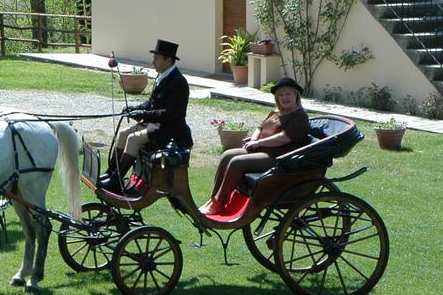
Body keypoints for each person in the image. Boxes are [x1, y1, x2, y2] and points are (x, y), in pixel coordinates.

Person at [201, 77, 311, 215]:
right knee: (227, 155)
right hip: (260, 150)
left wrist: (258, 143)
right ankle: (214, 199)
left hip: (278, 157)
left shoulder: (300, 117)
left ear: (296, 94)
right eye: (281, 95)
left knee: (236, 162)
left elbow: (284, 138)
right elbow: (260, 128)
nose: (284, 98)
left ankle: (218, 203)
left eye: (288, 93)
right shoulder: (276, 112)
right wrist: (252, 141)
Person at [99, 39, 192, 192]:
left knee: (133, 139)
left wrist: (144, 114)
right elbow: (151, 103)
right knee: (123, 134)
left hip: (170, 131)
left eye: (156, 58)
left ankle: (116, 181)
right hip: (156, 125)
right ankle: (111, 174)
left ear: (168, 60)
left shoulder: (178, 82)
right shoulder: (163, 77)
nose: (153, 62)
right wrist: (134, 109)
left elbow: (171, 114)